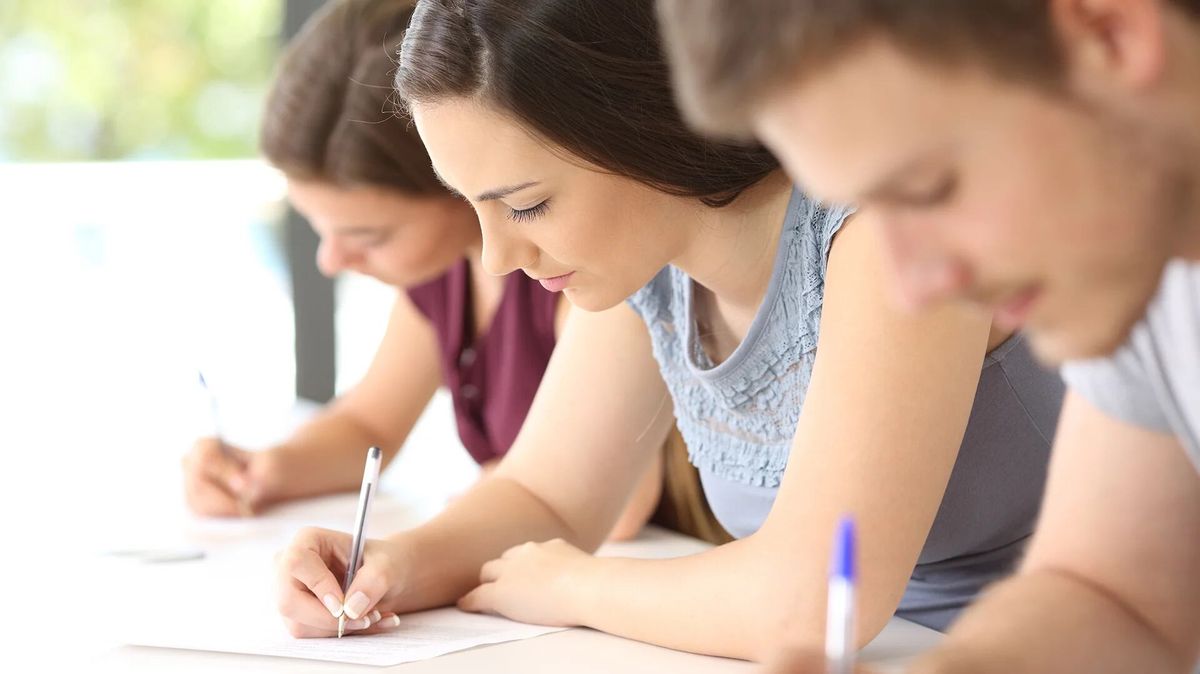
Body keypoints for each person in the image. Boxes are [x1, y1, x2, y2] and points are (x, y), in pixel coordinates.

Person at [270, 0, 1064, 656]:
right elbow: (545, 496)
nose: (498, 258)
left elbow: (812, 604)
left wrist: (577, 585)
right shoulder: (649, 266)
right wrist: (385, 567)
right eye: (473, 206)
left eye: (525, 205)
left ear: (638, 126)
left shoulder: (883, 227)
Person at [655, 0, 1200, 671]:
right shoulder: (1142, 255)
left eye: (928, 189)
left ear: (1109, 35)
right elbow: (1114, 598)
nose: (912, 286)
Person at [180, 0, 688, 544]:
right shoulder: (444, 275)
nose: (330, 261)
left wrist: (511, 496)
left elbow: (619, 503)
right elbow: (369, 424)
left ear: (454, 177)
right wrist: (263, 470)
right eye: (319, 228)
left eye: (369, 236)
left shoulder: (579, 272)